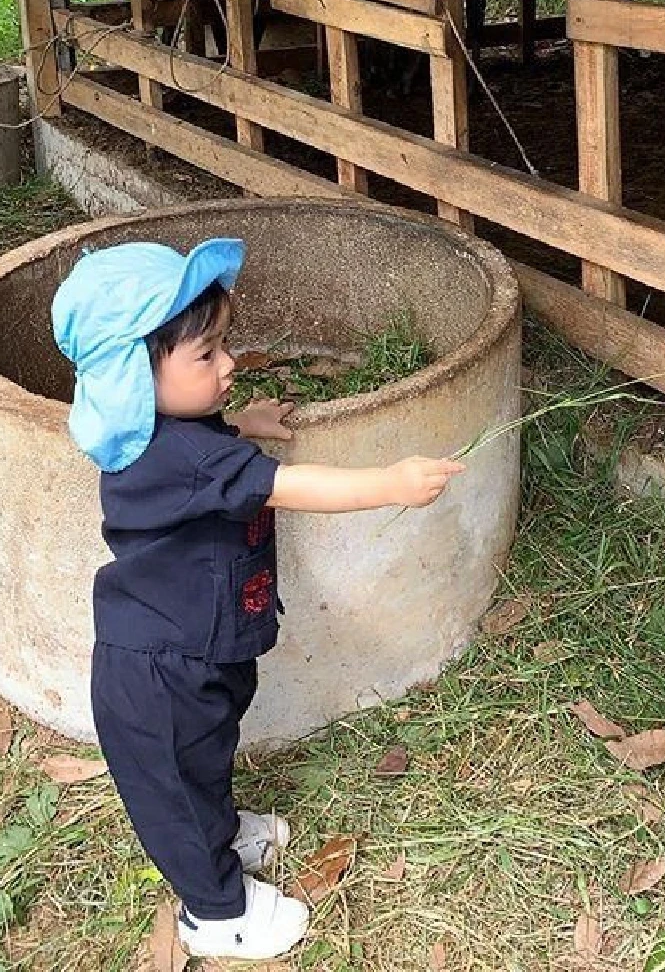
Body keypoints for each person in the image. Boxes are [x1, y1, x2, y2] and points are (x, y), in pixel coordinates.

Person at [51, 237, 464, 961]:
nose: (229, 364)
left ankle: (219, 828)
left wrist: (245, 423)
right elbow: (288, 486)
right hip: (162, 672)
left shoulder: (162, 436)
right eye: (206, 355)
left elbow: (205, 454)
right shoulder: (184, 455)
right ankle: (216, 913)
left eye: (223, 346)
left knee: (205, 755)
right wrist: (389, 483)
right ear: (134, 376)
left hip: (191, 648)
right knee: (175, 793)